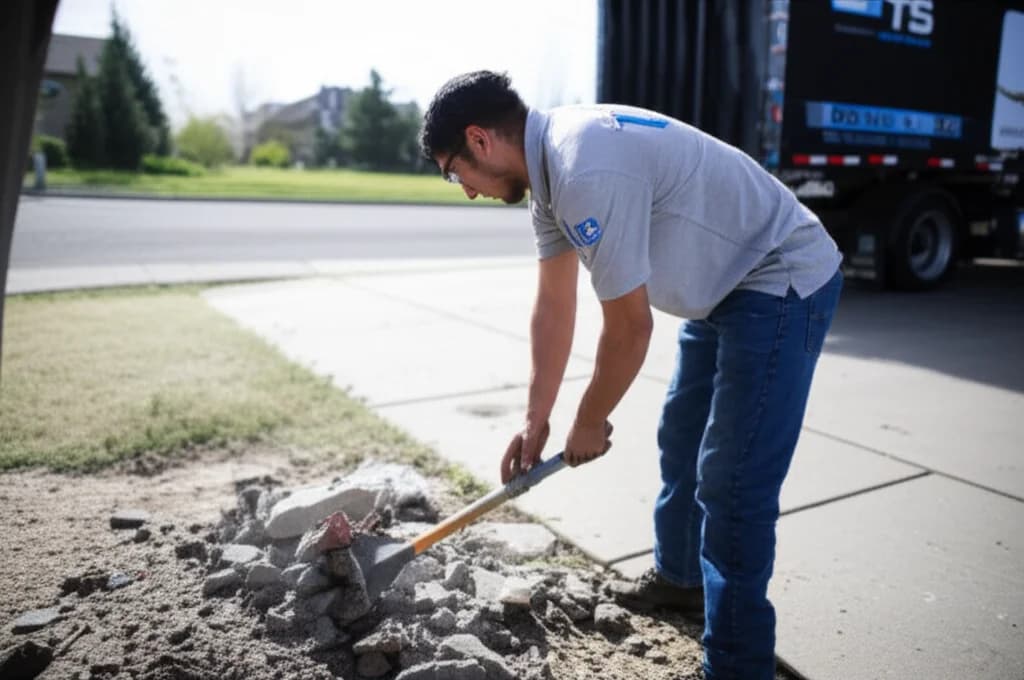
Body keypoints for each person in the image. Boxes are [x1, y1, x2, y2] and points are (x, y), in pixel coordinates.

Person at [419, 70, 843, 680]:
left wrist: (590, 420)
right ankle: (679, 578)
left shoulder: (582, 169)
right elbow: (555, 307)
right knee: (681, 437)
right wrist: (538, 419)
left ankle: (736, 666)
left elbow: (630, 329)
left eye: (453, 172)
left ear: (480, 140)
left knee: (734, 482)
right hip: (725, 286)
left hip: (779, 276)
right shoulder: (548, 181)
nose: (464, 190)